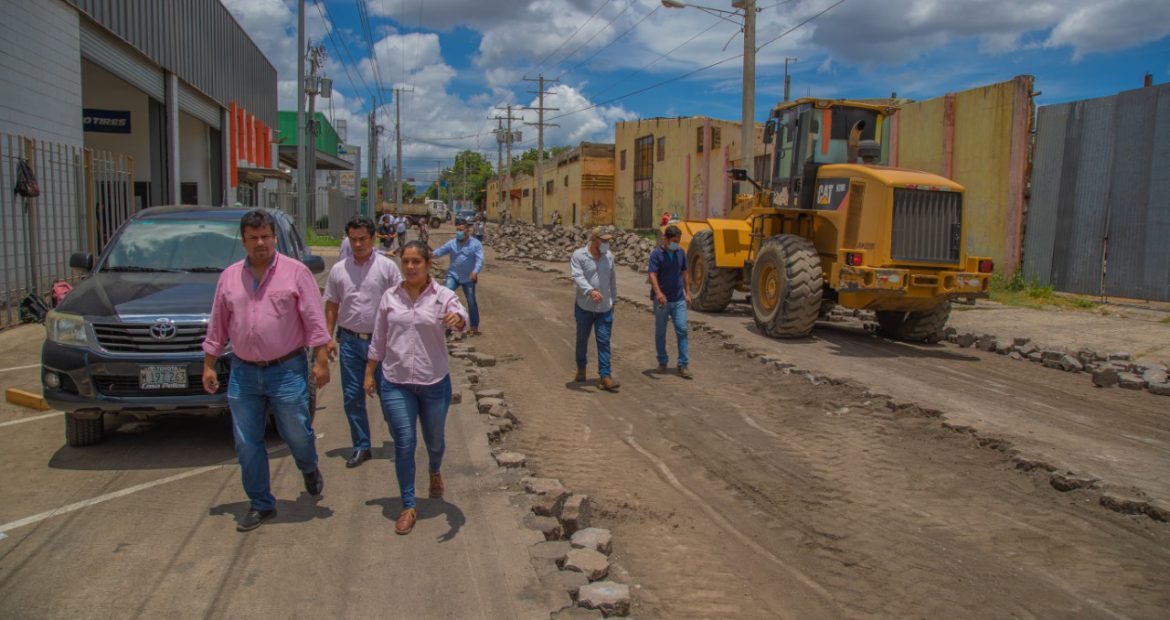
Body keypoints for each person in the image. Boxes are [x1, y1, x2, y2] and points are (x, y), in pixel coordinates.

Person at [202, 209, 331, 532]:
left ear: (274, 238)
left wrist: (321, 361)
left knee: (297, 432)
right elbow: (218, 325)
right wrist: (209, 364)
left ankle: (308, 466)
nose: (260, 243)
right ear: (243, 241)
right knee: (247, 442)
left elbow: (315, 320)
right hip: (243, 372)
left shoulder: (296, 273)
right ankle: (261, 503)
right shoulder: (229, 277)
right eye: (253, 238)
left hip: (287, 370)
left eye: (265, 237)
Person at [364, 241, 468, 535]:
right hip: (396, 382)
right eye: (406, 262)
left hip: (433, 382)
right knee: (404, 442)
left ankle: (434, 470)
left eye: (416, 262)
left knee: (434, 441)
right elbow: (379, 339)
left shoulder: (443, 296)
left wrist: (458, 320)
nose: (410, 267)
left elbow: (461, 317)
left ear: (428, 264)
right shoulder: (389, 297)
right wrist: (369, 373)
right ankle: (408, 505)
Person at [324, 215, 403, 468]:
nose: (358, 244)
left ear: (373, 238)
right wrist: (328, 337)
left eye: (363, 239)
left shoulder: (387, 268)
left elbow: (401, 303)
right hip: (349, 342)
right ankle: (361, 446)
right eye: (353, 239)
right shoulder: (339, 270)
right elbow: (331, 305)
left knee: (389, 396)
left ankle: (402, 442)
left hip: (382, 344)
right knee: (352, 396)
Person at [570, 226, 619, 391]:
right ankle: (581, 370)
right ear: (594, 239)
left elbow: (612, 280)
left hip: (604, 308)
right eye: (603, 240)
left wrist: (613, 300)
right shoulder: (579, 255)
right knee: (582, 340)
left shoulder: (609, 257)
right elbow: (577, 276)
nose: (606, 243)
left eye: (608, 240)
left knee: (604, 342)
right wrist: (590, 291)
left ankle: (605, 376)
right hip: (584, 307)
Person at [648, 225, 693, 378]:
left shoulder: (681, 253)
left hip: (678, 299)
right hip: (662, 301)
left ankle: (683, 364)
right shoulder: (656, 254)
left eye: (678, 241)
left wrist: (688, 292)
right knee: (660, 331)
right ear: (665, 239)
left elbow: (685, 273)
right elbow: (652, 275)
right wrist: (658, 293)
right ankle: (662, 361)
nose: (676, 244)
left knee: (682, 329)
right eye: (674, 241)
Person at [433, 219, 485, 335]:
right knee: (443, 296)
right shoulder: (452, 243)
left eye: (461, 230)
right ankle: (441, 324)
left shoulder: (475, 244)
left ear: (467, 231)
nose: (458, 232)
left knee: (471, 301)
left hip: (468, 278)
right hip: (453, 276)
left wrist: (475, 271)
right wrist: (430, 255)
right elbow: (440, 251)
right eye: (457, 230)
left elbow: (480, 260)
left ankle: (474, 326)